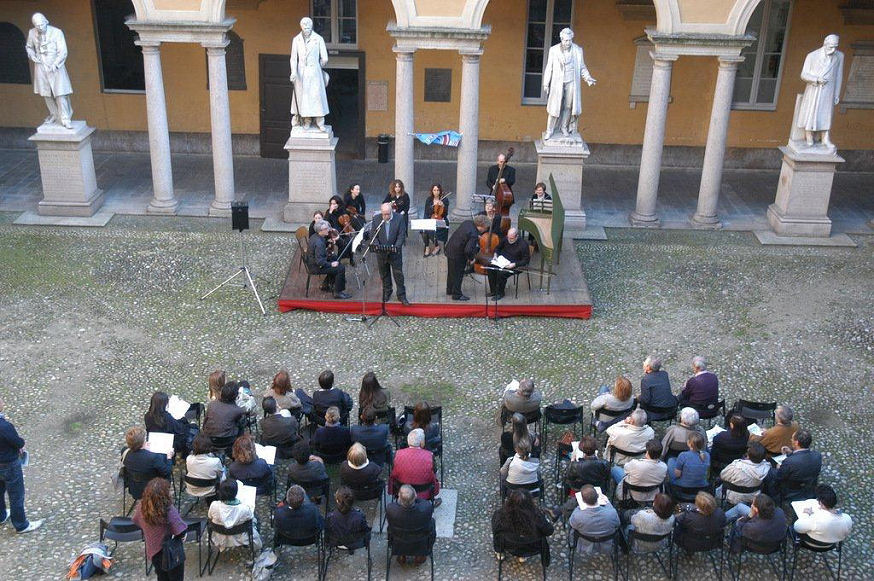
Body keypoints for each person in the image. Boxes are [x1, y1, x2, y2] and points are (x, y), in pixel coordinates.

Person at [542, 28, 596, 140]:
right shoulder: (554, 50)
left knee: (568, 106)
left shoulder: (577, 50)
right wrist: (546, 83)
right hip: (557, 83)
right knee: (554, 107)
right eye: (565, 40)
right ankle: (549, 130)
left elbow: (582, 67)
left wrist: (588, 78)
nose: (568, 43)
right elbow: (549, 68)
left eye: (570, 40)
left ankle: (564, 127)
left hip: (571, 81)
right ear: (561, 39)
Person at [132, 478, 187, 581]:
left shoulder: (141, 506)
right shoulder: (168, 509)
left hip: (153, 550)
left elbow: (136, 520)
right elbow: (180, 530)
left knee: (161, 576)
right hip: (170, 551)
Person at [0, 399, 42, 533]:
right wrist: (21, 444)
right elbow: (17, 442)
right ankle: (21, 524)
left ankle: (1, 515)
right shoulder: (4, 426)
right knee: (16, 495)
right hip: (9, 464)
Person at [26, 13, 74, 129]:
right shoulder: (32, 33)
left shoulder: (57, 32)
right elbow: (28, 47)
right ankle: (54, 114)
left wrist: (56, 64)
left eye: (42, 24)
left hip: (55, 65)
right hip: (41, 66)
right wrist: (32, 56)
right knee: (46, 93)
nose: (40, 27)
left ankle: (65, 118)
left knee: (60, 93)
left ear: (46, 21)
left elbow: (63, 51)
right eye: (37, 25)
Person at [798, 35, 844, 149]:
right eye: (831, 47)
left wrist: (837, 94)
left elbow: (839, 76)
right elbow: (803, 74)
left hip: (829, 91)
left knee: (826, 114)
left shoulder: (839, 56)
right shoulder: (812, 56)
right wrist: (817, 79)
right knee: (811, 112)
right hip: (815, 89)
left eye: (835, 47)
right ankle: (809, 134)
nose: (833, 50)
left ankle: (825, 137)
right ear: (825, 43)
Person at [491, 489, 555, 563]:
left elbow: (495, 529)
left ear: (510, 502)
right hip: (531, 547)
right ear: (530, 502)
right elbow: (549, 531)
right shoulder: (537, 516)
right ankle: (523, 555)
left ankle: (500, 552)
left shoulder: (500, 514)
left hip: (508, 545)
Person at [289, 17, 329, 131]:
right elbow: (293, 59)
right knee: (304, 97)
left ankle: (320, 121)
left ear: (311, 27)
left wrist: (320, 64)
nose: (306, 29)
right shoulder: (296, 40)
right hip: (301, 73)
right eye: (304, 27)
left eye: (308, 27)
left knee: (316, 97)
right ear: (301, 27)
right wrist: (293, 72)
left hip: (314, 72)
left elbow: (324, 57)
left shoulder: (318, 39)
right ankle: (307, 120)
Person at [366, 202, 408, 305]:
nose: (386, 216)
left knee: (398, 275)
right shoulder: (376, 219)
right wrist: (377, 246)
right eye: (384, 214)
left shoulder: (399, 218)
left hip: (395, 252)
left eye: (388, 214)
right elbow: (373, 235)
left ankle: (401, 295)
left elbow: (401, 235)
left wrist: (396, 247)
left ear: (391, 211)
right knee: (384, 274)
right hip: (381, 253)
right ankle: (387, 292)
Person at [385, 484, 436, 566]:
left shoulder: (391, 509)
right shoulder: (426, 507)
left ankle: (401, 555)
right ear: (415, 495)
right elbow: (423, 503)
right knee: (432, 522)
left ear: (399, 497)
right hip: (420, 540)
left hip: (399, 540)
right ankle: (420, 555)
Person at [445, 214, 490, 301]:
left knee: (451, 272)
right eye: (485, 228)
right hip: (458, 255)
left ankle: (449, 290)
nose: (485, 230)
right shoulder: (474, 234)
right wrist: (472, 258)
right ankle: (456, 295)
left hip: (450, 248)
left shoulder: (467, 222)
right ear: (481, 226)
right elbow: (468, 250)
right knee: (458, 274)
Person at [390, 429, 441, 506]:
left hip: (402, 490)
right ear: (421, 442)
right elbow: (434, 473)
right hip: (424, 492)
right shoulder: (429, 456)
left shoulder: (397, 454)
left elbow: (394, 472)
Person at [208, 479, 262, 551]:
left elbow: (210, 517)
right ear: (236, 493)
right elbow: (250, 518)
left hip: (219, 536)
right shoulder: (244, 508)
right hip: (241, 538)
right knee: (255, 519)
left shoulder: (214, 505)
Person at [122, 426, 173, 501]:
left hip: (135, 489)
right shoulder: (153, 457)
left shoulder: (125, 452)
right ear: (142, 442)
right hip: (152, 490)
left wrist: (145, 450)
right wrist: (169, 457)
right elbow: (167, 471)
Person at [611, 439, 667, 505]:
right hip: (651, 494)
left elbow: (626, 469)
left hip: (632, 494)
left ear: (647, 452)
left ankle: (613, 493)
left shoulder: (635, 463)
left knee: (614, 469)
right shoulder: (664, 467)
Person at [568, 485, 620, 555]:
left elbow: (572, 524)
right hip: (606, 543)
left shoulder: (577, 515)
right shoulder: (611, 513)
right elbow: (617, 524)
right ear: (598, 497)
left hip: (584, 543)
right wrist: (608, 503)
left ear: (582, 500)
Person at [773, 429, 822, 502]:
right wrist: (791, 453)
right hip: (809, 486)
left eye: (792, 439)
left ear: (796, 443)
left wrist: (778, 468)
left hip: (791, 489)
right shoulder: (817, 455)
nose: (791, 440)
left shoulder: (789, 462)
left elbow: (780, 476)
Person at [144, 390, 196, 457]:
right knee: (190, 429)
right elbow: (179, 429)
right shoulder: (166, 417)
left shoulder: (147, 415)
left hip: (154, 438)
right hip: (168, 440)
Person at [719, 441, 770, 509]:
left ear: (748, 456)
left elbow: (722, 475)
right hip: (753, 495)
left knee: (717, 490)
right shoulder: (767, 467)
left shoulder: (736, 467)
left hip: (734, 496)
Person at [308, 219, 350, 299]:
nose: (328, 230)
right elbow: (320, 262)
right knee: (340, 268)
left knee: (335, 258)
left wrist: (329, 243)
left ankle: (325, 285)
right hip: (315, 267)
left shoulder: (316, 236)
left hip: (313, 262)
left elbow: (320, 253)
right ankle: (338, 292)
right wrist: (331, 264)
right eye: (326, 229)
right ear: (320, 230)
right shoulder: (319, 243)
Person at [487, 228, 530, 300]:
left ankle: (500, 293)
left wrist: (514, 264)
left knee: (501, 273)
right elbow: (498, 248)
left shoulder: (523, 245)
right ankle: (493, 291)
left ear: (517, 236)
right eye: (508, 238)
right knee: (490, 267)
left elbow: (526, 260)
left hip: (515, 265)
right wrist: (495, 255)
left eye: (512, 238)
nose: (509, 240)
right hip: (502, 260)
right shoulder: (506, 239)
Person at [325, 486, 371, 552]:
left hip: (336, 543)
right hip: (356, 544)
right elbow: (365, 532)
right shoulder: (360, 516)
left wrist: (327, 543)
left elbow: (327, 534)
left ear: (337, 500)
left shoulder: (330, 517)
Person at [185, 433, 225, 499]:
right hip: (210, 490)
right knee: (224, 469)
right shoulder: (215, 461)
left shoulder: (189, 458)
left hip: (192, 488)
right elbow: (220, 475)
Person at [669, 432, 710, 496]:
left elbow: (677, 475)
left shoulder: (683, 455)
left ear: (689, 443)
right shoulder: (707, 455)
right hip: (702, 486)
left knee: (670, 460)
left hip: (683, 486)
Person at [638, 356, 677, 420]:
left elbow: (646, 400)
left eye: (644, 363)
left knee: (640, 399)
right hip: (670, 408)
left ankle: (643, 420)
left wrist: (639, 398)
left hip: (656, 410)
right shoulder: (665, 374)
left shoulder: (645, 380)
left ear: (648, 367)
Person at [422, 183, 449, 256]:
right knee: (423, 230)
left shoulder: (445, 200)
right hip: (431, 218)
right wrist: (432, 214)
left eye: (438, 190)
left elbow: (445, 214)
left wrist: (443, 206)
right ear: (432, 191)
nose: (436, 192)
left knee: (429, 230)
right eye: (434, 190)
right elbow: (427, 212)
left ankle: (436, 247)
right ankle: (428, 246)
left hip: (441, 219)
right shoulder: (429, 200)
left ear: (440, 191)